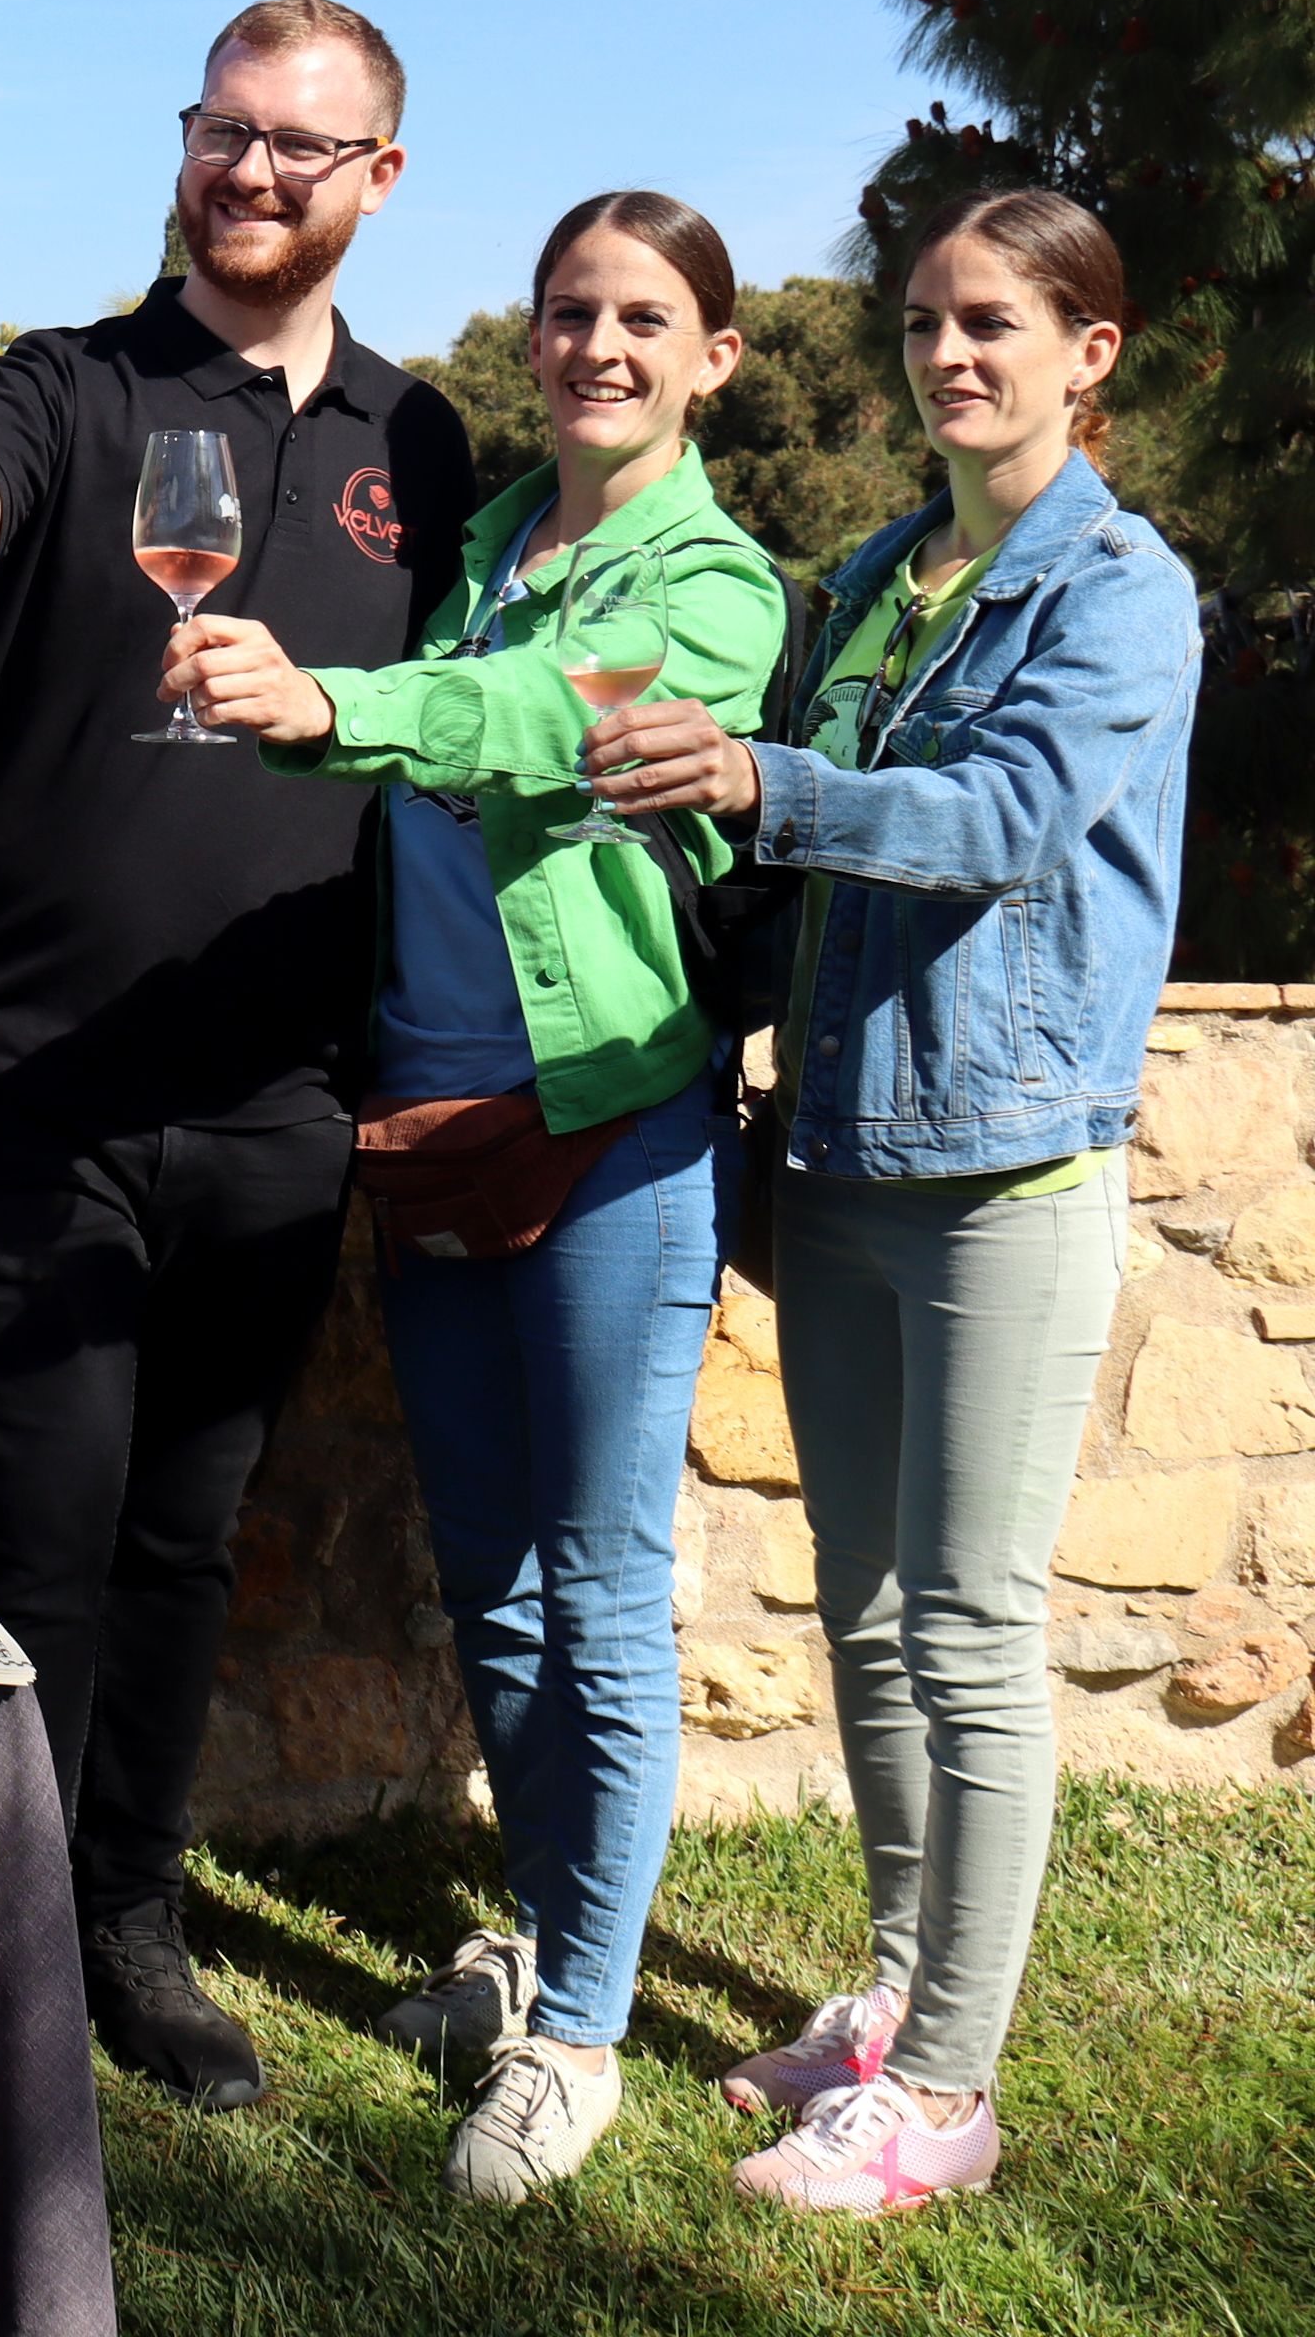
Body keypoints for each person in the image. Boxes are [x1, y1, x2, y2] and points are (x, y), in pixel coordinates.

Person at [0, 0, 478, 2108]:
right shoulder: (68, 385)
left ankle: (125, 1911)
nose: (245, 171)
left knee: (186, 1536)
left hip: (283, 1087)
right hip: (35, 1083)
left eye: (296, 147)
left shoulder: (428, 448)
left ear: (376, 181)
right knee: (28, 1534)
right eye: (220, 129)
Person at [164, 192, 788, 2199]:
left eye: (643, 318)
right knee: (497, 1579)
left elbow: (558, 723)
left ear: (716, 354)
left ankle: (586, 2029)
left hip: (603, 1121)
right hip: (427, 1118)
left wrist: (333, 705)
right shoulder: (498, 531)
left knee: (600, 1590)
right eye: (568, 310)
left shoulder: (714, 578)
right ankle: (544, 1930)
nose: (598, 344)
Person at [598, 188, 1195, 2216]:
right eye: (931, 321)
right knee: (863, 1624)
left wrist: (761, 782)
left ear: (1086, 352)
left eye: (996, 323)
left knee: (967, 1629)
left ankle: (946, 2084)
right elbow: (793, 875)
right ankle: (891, 1991)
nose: (953, 354)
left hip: (1007, 1161)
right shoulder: (876, 568)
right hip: (840, 1149)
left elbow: (1001, 820)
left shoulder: (1117, 589)